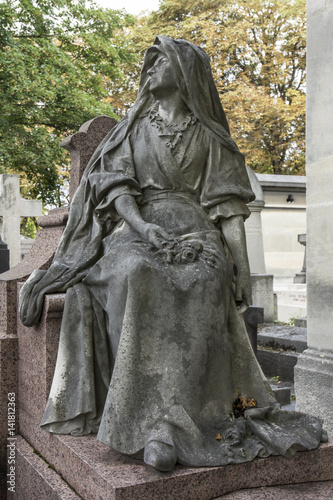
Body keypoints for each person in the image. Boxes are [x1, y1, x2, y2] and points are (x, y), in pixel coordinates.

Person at [20, 36, 325, 472]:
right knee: (138, 273)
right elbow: (115, 187)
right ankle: (150, 424)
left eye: (160, 62)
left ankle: (182, 424)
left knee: (204, 282)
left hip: (197, 234)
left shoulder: (210, 137)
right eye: (150, 63)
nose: (150, 70)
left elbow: (229, 212)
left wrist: (241, 269)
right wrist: (143, 227)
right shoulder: (134, 129)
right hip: (137, 230)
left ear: (185, 72)